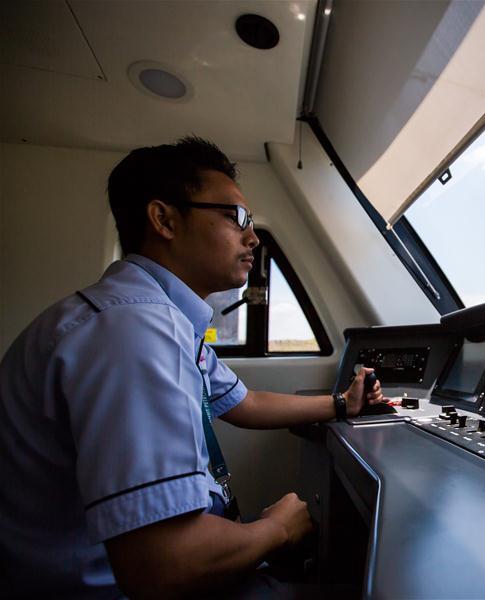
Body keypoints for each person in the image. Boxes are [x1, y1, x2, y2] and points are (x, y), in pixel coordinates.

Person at [0, 136, 383, 598]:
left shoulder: (160, 318)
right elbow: (164, 567)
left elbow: (246, 402)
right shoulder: (132, 330)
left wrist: (342, 405)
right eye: (235, 216)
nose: (252, 236)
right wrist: (277, 529)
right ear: (164, 219)